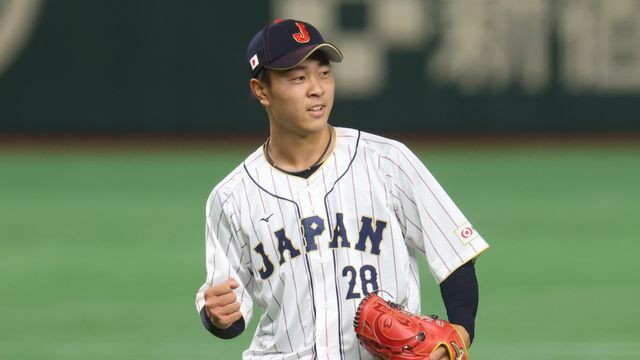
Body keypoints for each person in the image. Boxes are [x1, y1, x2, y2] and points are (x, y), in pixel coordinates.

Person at [195, 19, 489, 360]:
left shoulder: (386, 162)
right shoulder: (231, 196)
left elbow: (455, 255)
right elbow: (228, 309)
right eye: (298, 77)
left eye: (323, 73)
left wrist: (460, 333)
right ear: (262, 91)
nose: (317, 88)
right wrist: (217, 315)